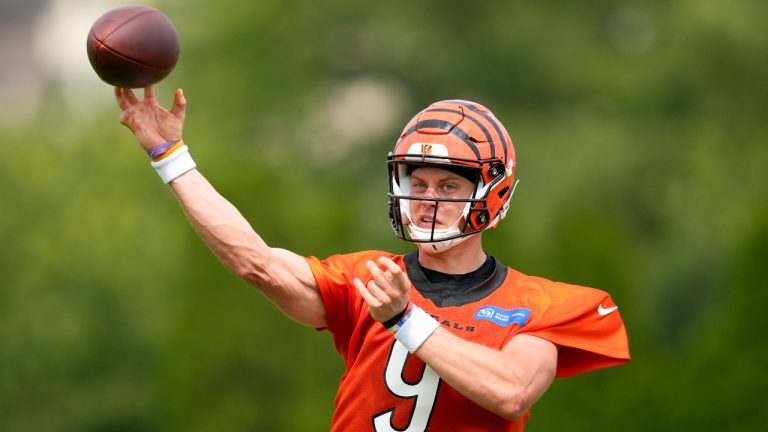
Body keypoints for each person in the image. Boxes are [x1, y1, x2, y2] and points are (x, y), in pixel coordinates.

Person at [115, 86, 630, 431]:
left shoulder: (539, 303)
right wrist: (170, 157)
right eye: (418, 182)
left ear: (493, 193)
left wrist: (407, 319)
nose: (428, 198)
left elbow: (511, 391)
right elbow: (257, 262)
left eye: (449, 185)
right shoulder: (369, 277)